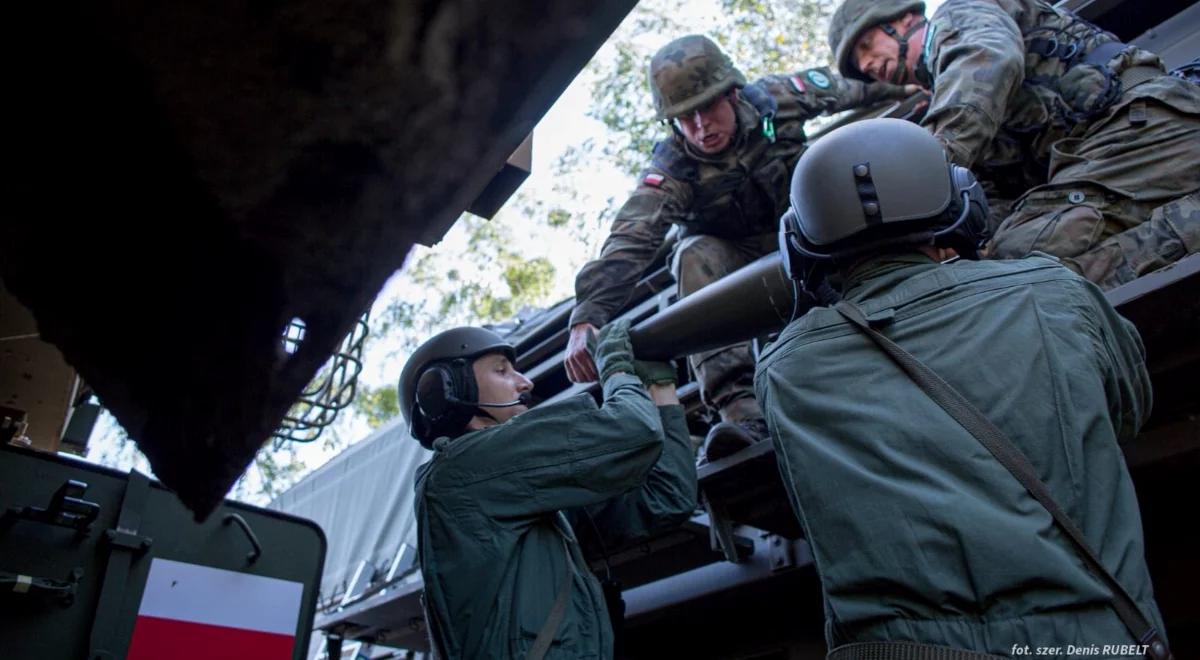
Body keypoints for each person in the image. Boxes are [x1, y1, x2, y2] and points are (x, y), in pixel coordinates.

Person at [762, 118, 1169, 658]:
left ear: (799, 247)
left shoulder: (783, 370)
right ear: (965, 204)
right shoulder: (1053, 290)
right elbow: (1126, 411)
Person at [565, 34, 914, 460]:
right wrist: (587, 317)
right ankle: (741, 412)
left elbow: (851, 90)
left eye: (707, 108)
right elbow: (632, 236)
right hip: (736, 261)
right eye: (684, 118)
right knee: (691, 252)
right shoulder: (673, 168)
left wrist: (914, 87)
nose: (700, 127)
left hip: (808, 233)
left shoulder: (776, 98)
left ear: (732, 93)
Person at [827, 0, 1200, 290]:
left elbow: (988, 61)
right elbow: (994, 203)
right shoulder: (952, 103)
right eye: (861, 67)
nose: (869, 64)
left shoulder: (961, 15)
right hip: (1106, 158)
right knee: (1007, 278)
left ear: (904, 19)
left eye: (866, 45)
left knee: (1022, 256)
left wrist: (915, 184)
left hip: (1144, 123)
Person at [399, 322, 696, 659]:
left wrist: (661, 388)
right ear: (447, 391)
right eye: (502, 371)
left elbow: (666, 499)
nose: (526, 382)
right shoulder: (458, 475)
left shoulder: (527, 497)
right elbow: (634, 431)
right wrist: (615, 368)